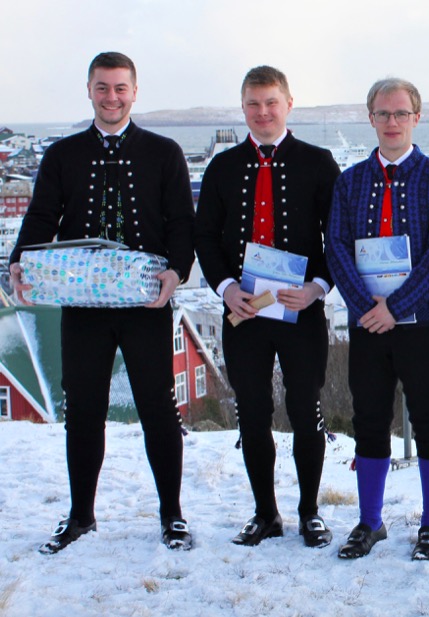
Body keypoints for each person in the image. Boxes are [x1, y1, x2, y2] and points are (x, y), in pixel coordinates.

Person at [9, 52, 195, 553]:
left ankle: (172, 515)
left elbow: (181, 220)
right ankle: (81, 516)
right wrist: (20, 260)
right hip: (83, 304)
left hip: (146, 303)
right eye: (102, 87)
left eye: (120, 88)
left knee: (158, 406)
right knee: (83, 408)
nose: (111, 97)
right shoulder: (62, 154)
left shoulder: (164, 152)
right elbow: (42, 214)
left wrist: (177, 272)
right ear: (89, 90)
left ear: (134, 92)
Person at [194, 66, 339, 549]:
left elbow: (337, 239)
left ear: (288, 104)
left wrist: (318, 287)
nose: (263, 112)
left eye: (271, 102)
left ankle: (310, 512)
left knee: (305, 409)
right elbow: (204, 238)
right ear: (243, 107)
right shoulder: (222, 167)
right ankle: (265, 513)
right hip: (245, 313)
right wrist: (225, 287)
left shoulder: (318, 163)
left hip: (302, 311)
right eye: (253, 104)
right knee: (252, 413)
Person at [326, 78, 429, 561]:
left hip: (422, 323)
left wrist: (395, 308)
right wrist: (366, 307)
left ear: (417, 118)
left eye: (401, 113)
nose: (392, 122)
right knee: (369, 420)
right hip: (367, 325)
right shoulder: (350, 182)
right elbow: (336, 247)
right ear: (371, 118)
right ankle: (369, 521)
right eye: (383, 113)